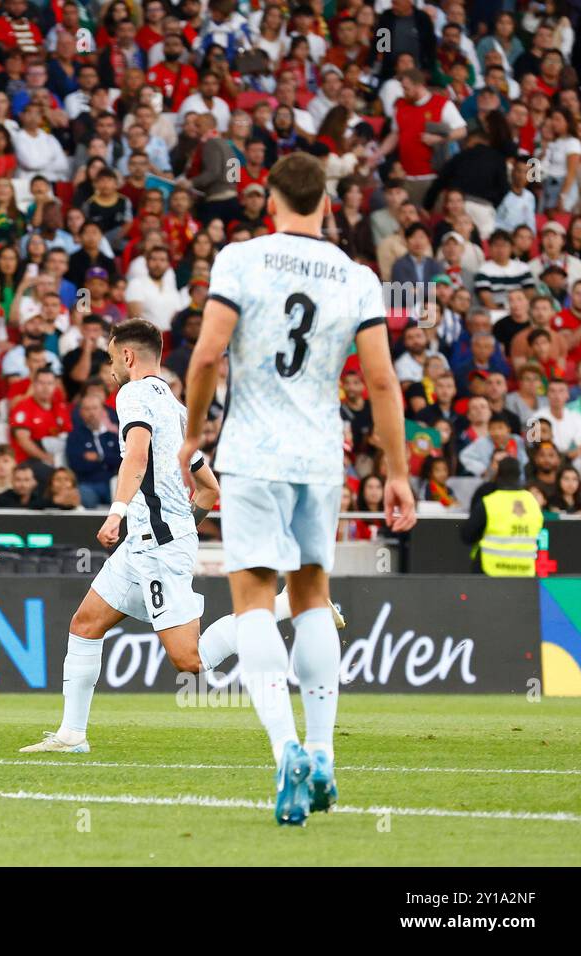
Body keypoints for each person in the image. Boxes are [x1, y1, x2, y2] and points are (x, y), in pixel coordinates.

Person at [181, 152, 417, 826]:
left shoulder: (242, 260)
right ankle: (324, 756)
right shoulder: (358, 276)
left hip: (254, 453)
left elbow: (206, 354)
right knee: (313, 595)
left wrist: (193, 434)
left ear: (267, 198)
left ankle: (286, 750)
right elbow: (378, 382)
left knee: (254, 600)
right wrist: (396, 471)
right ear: (327, 203)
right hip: (322, 457)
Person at [20, 321, 222, 753]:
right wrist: (181, 525)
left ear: (127, 356)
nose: (110, 366)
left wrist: (117, 512)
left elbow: (137, 451)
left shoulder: (131, 395)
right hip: (147, 542)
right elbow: (209, 489)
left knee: (190, 660)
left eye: (112, 356)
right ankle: (72, 734)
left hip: (157, 545)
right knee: (85, 624)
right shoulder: (177, 407)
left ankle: (286, 605)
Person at [461, 456, 543, 576]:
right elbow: (538, 529)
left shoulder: (490, 502)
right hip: (524, 572)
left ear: (498, 475)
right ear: (520, 476)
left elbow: (467, 535)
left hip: (491, 571)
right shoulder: (532, 501)